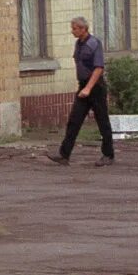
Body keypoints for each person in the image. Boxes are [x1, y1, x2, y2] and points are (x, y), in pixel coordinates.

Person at [50, 15, 116, 167]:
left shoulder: (94, 43)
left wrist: (88, 88)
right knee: (74, 120)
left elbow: (98, 68)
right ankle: (64, 155)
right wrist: (83, 87)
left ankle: (108, 154)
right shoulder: (78, 44)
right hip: (83, 86)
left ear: (83, 29)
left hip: (95, 87)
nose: (72, 31)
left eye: (74, 28)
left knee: (102, 121)